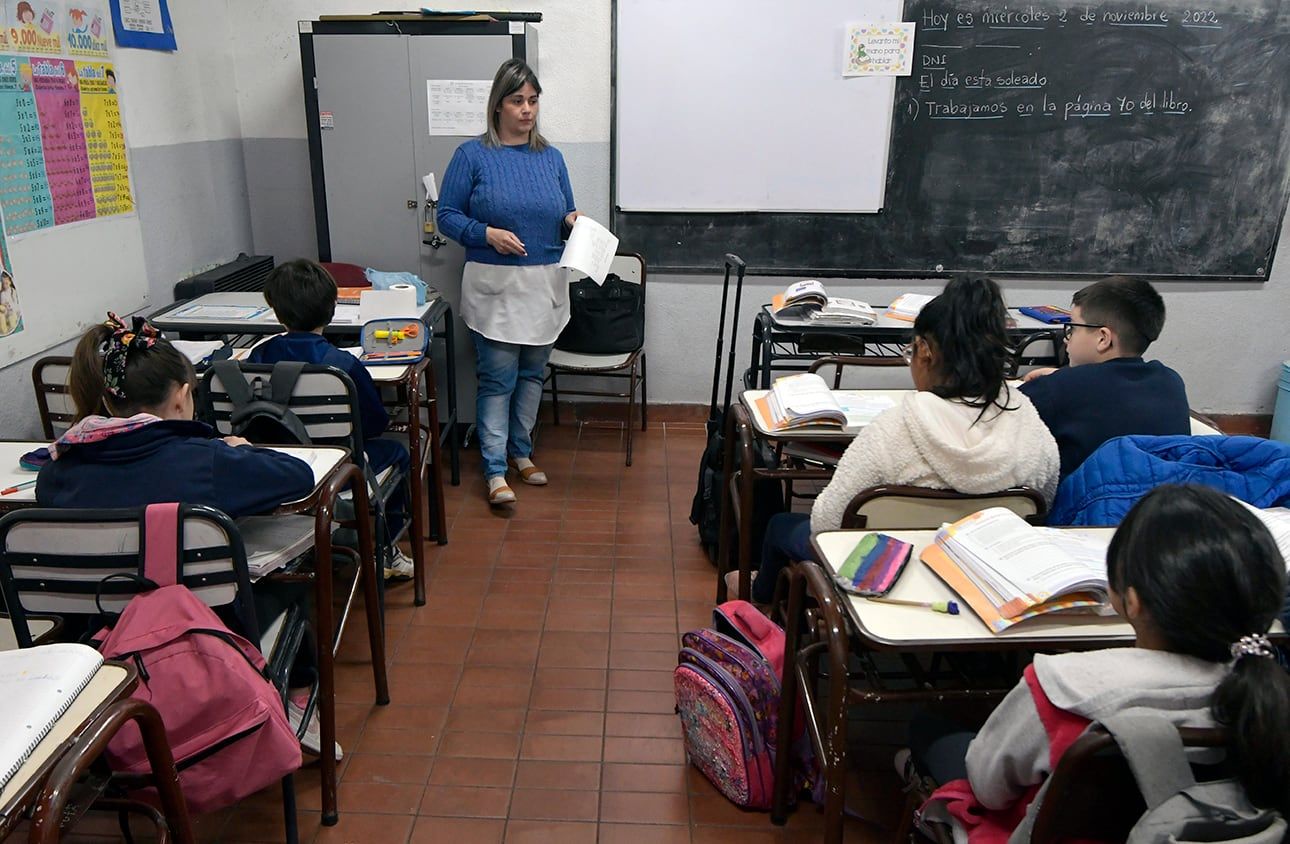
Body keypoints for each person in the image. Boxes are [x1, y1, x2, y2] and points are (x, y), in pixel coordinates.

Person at [37, 314, 343, 760]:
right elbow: (297, 475)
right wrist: (239, 449)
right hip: (203, 633)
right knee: (287, 579)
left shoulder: (55, 475)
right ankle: (295, 698)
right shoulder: (208, 463)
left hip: (98, 641)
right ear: (182, 397)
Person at [910, 484, 1290, 840]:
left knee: (930, 732)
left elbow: (989, 789)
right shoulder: (1270, 695)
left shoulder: (1059, 689)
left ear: (1132, 601)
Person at [744, 276, 1060, 605]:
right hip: (986, 578)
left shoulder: (894, 428)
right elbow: (1045, 502)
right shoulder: (1027, 421)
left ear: (924, 350)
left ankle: (763, 602)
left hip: (888, 575)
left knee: (781, 524)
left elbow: (826, 524)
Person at [438, 58, 580, 507]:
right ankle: (495, 469)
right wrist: (485, 234)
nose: (527, 110)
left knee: (533, 374)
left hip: (544, 285)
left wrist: (573, 223)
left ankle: (522, 452)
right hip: (495, 287)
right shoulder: (472, 156)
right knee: (497, 379)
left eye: (533, 101)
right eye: (517, 101)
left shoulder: (551, 158)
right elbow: (446, 216)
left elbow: (562, 216)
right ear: (498, 105)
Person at [247, 258, 414, 581]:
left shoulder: (259, 356)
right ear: (332, 308)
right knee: (397, 451)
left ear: (276, 311)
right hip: (338, 463)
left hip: (276, 459)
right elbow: (374, 425)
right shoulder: (342, 366)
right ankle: (386, 547)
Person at [1020, 276, 1189, 478]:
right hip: (1156, 504)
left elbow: (1002, 413)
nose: (1067, 339)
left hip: (1087, 505)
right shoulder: (1171, 382)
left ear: (1103, 338)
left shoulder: (1058, 389)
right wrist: (1062, 377)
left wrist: (1055, 381)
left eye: (1072, 328)